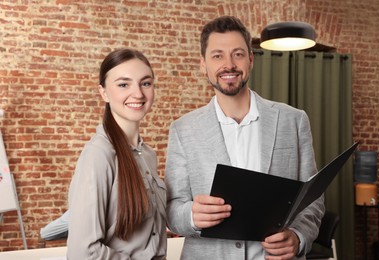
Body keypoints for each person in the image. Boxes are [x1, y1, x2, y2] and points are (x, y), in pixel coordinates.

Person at [164, 16, 325, 260]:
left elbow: (312, 200)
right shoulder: (182, 129)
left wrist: (298, 237)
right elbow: (172, 207)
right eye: (217, 56)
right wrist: (191, 216)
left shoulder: (294, 120)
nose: (229, 65)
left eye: (237, 54)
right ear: (203, 64)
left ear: (250, 60)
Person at [67, 48, 167, 260]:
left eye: (146, 83)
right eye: (124, 84)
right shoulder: (98, 155)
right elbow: (83, 252)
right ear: (103, 92)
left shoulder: (148, 155)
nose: (138, 93)